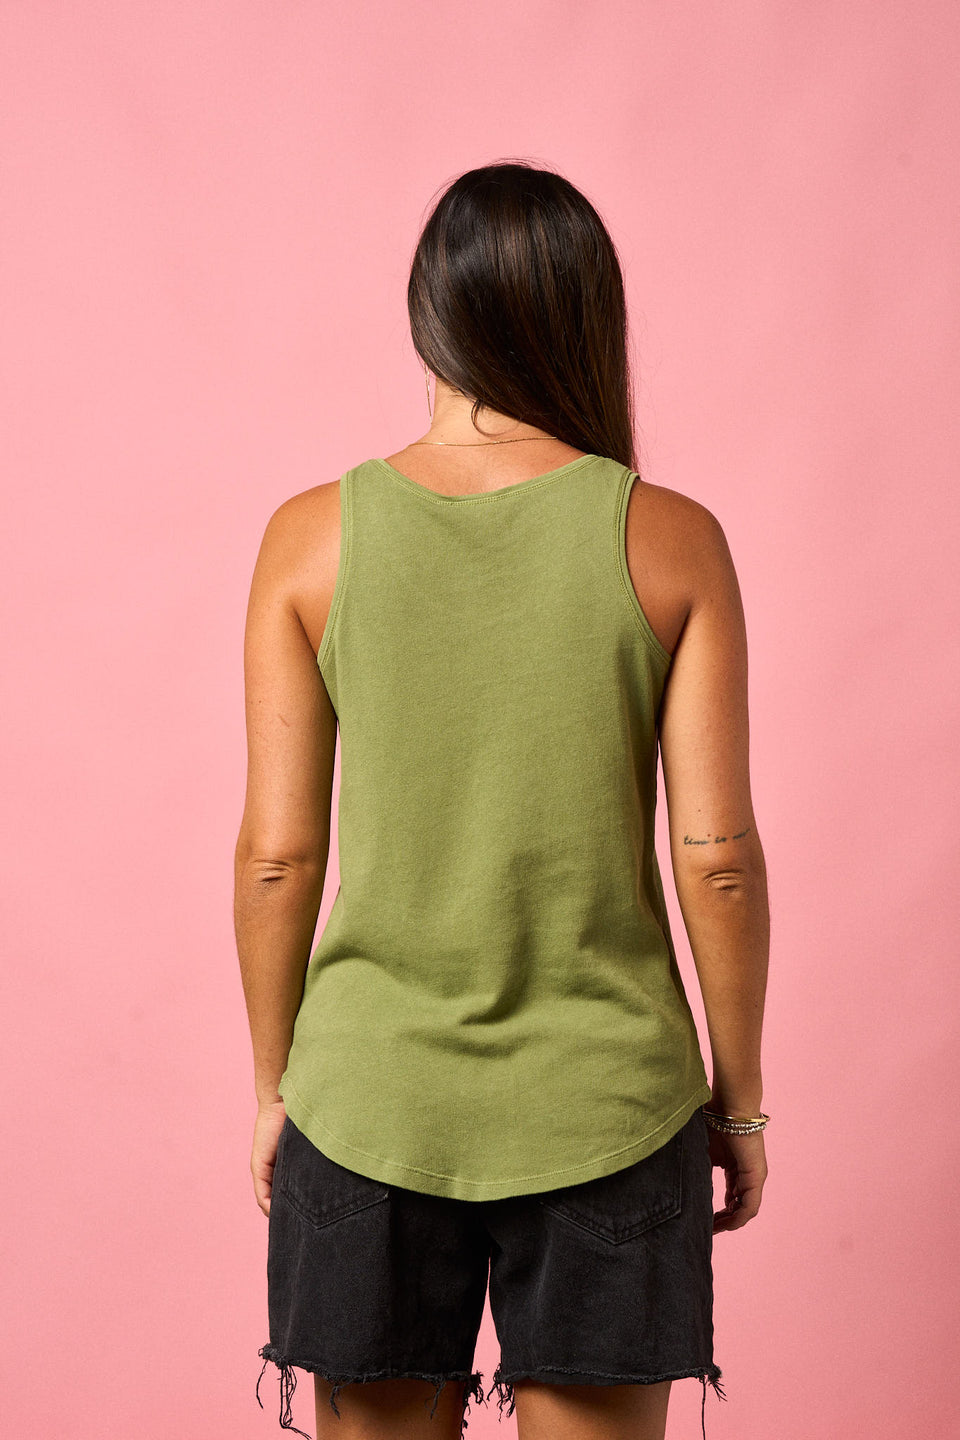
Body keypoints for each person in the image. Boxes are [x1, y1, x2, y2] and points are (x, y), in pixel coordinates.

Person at [235, 160, 769, 1440]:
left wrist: (275, 1086)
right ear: (589, 317)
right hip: (609, 1101)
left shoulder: (311, 537)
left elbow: (276, 858)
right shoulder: (670, 536)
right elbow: (716, 858)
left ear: (427, 314)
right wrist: (738, 1100)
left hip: (368, 1098)